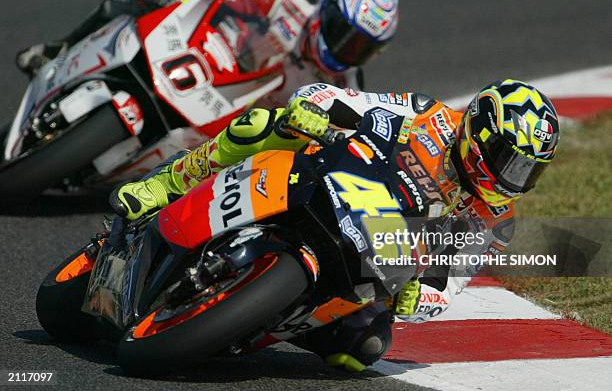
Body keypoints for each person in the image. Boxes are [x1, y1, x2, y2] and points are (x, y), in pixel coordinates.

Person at [109, 79, 560, 371]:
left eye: (526, 171)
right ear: (479, 132)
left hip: (377, 256)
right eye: (508, 160)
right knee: (264, 124)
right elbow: (341, 98)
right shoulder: (429, 116)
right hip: (328, 182)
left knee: (366, 346)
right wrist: (313, 108)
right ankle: (167, 185)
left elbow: (448, 289)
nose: (511, 177)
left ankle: (251, 324)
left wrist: (414, 297)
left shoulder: (492, 220)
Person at [15, 0, 398, 107]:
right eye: (342, 34)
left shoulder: (346, 87)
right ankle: (61, 48)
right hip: (206, 65)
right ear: (327, 10)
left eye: (361, 47)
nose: (347, 49)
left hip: (227, 133)